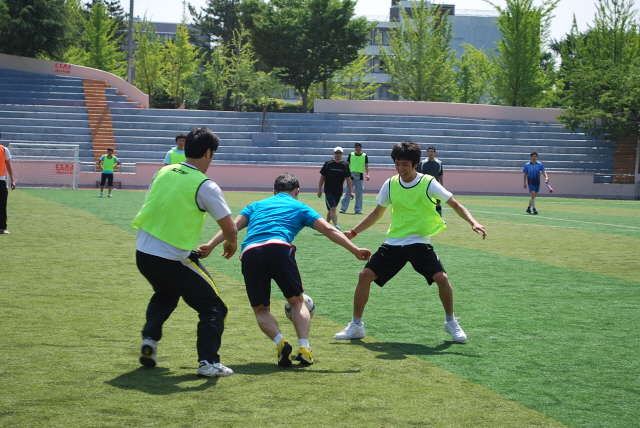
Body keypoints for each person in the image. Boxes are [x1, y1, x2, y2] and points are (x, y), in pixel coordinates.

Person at [204, 173, 371, 367]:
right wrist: (355, 249)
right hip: (279, 249)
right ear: (297, 191)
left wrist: (210, 245)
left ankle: (280, 341)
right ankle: (304, 348)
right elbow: (329, 229)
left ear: (274, 191)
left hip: (251, 253)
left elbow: (231, 227)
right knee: (297, 302)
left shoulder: (255, 205)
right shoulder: (300, 207)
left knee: (261, 309)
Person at [334, 141, 487, 344]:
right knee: (364, 276)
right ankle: (356, 325)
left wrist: (473, 222)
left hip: (419, 242)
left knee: (442, 279)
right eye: (397, 164)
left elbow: (454, 204)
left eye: (405, 164)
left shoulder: (428, 183)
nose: (400, 169)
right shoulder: (390, 184)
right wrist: (353, 232)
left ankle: (451, 322)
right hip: (394, 243)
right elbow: (377, 213)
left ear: (415, 164)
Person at [131, 127, 238, 378]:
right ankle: (208, 363)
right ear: (209, 153)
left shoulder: (163, 172)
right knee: (214, 307)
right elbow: (230, 228)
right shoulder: (205, 185)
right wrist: (231, 243)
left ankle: (149, 340)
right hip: (171, 258)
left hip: (143, 253)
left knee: (165, 293)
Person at [318, 146, 353, 230]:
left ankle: (325, 226)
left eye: (340, 153)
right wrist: (319, 189)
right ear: (334, 153)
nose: (338, 154)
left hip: (338, 191)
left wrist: (351, 191)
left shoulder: (345, 166)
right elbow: (322, 177)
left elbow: (348, 179)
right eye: (336, 153)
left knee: (331, 209)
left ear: (342, 154)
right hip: (329, 190)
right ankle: (336, 226)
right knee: (333, 208)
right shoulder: (328, 164)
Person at [340, 143, 370, 215]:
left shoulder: (364, 155)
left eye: (359, 147)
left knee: (359, 194)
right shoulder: (351, 155)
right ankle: (343, 208)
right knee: (347, 191)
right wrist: (345, 174)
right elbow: (347, 165)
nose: (358, 148)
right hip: (351, 175)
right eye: (356, 147)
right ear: (355, 148)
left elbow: (366, 166)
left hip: (360, 175)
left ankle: (358, 209)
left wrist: (368, 174)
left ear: (361, 148)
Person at [418, 146, 444, 217]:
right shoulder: (423, 163)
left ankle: (439, 218)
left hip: (436, 186)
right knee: (425, 202)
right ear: (427, 153)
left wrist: (442, 185)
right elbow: (419, 174)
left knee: (438, 203)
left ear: (434, 153)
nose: (430, 153)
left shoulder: (439, 163)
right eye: (429, 152)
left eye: (432, 151)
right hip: (425, 186)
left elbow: (440, 174)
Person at [1, 132, 17, 235]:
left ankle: (2, 227)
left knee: (2, 206)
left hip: (1, 181)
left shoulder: (4, 150)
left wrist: (12, 179)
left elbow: (8, 165)